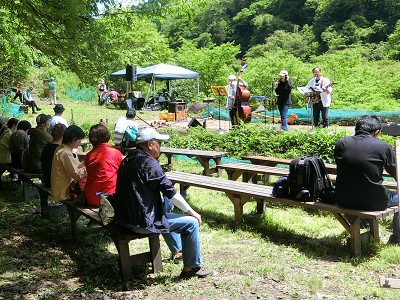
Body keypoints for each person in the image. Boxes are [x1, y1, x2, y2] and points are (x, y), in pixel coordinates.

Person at [114, 127, 213, 279]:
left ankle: (178, 249)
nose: (160, 146)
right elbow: (171, 192)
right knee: (191, 223)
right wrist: (192, 212)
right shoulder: (149, 163)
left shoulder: (128, 159)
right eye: (158, 142)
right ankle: (191, 268)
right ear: (150, 145)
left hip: (124, 218)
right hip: (139, 223)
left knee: (164, 206)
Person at [334, 115, 400, 244]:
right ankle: (396, 238)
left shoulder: (341, 143)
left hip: (342, 198)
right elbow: (396, 173)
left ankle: (364, 224)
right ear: (376, 132)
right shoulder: (383, 146)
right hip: (372, 201)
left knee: (359, 187)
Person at [84, 124, 123, 207]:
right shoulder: (115, 153)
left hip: (91, 197)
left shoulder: (88, 156)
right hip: (109, 199)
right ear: (107, 136)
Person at [51, 125, 86, 202]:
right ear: (73, 139)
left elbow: (74, 167)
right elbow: (76, 175)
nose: (80, 142)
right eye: (79, 140)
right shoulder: (65, 153)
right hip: (64, 193)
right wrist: (86, 167)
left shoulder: (61, 148)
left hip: (59, 189)